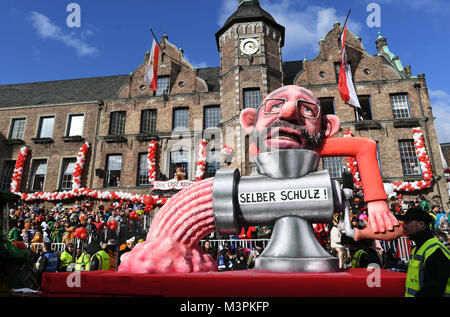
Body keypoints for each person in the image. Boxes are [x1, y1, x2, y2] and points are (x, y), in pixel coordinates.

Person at [239, 85, 400, 239]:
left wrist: (377, 202)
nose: (289, 112)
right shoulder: (256, 149)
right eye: (275, 106)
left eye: (308, 109)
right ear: (250, 121)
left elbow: (365, 146)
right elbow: (364, 146)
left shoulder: (310, 147)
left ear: (326, 128)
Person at [401, 207, 450, 297]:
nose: (404, 226)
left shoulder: (435, 250)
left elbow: (433, 290)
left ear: (421, 224)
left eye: (407, 222)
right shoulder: (417, 248)